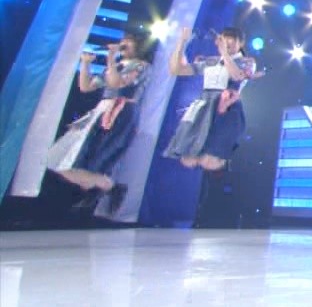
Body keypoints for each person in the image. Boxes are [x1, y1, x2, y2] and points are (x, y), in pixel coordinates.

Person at [44, 32, 150, 215]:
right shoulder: (116, 65)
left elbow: (117, 83)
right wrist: (86, 64)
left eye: (129, 42)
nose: (124, 44)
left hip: (121, 111)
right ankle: (106, 187)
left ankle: (105, 187)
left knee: (98, 157)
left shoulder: (141, 66)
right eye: (123, 41)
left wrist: (110, 58)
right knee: (66, 158)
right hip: (102, 109)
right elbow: (86, 87)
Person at [163, 26, 258, 172]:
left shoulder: (247, 62)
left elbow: (237, 76)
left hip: (225, 108)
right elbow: (177, 69)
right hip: (204, 106)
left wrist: (224, 53)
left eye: (232, 40)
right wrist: (182, 42)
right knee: (189, 155)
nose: (227, 43)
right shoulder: (211, 61)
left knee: (211, 156)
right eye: (224, 39)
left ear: (241, 43)